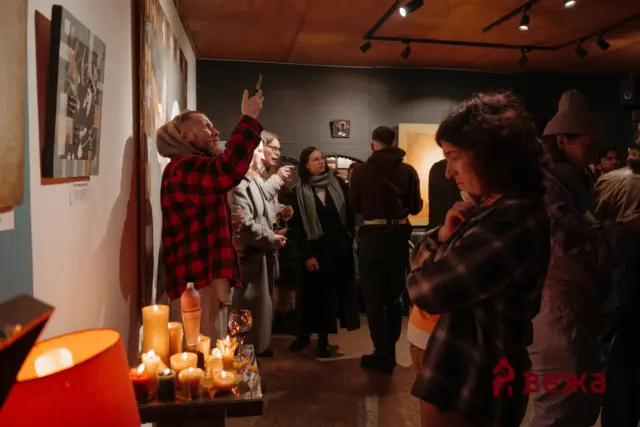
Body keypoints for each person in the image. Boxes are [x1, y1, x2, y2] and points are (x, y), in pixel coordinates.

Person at [408, 91, 550, 427]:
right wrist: (442, 237)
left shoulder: (512, 217)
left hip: (471, 382)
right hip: (459, 372)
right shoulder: (491, 207)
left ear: (490, 154)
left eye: (454, 157)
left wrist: (427, 261)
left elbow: (426, 290)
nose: (448, 172)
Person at [528, 90, 638, 427]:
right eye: (588, 146)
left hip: (572, 311)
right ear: (563, 141)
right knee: (561, 410)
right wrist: (628, 229)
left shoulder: (568, 183)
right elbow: (571, 259)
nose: (593, 154)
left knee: (578, 406)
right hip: (559, 311)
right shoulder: (548, 188)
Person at [158, 89, 264, 341]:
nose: (215, 132)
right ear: (186, 135)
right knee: (204, 352)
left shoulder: (187, 167)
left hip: (202, 279)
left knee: (211, 348)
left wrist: (224, 223)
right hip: (197, 283)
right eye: (207, 126)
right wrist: (248, 118)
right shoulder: (183, 167)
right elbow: (226, 169)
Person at [349, 126, 423, 374]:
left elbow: (354, 205)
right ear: (394, 143)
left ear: (373, 145)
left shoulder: (361, 171)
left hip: (371, 237)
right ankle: (390, 349)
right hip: (398, 239)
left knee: (373, 299)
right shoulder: (408, 171)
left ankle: (381, 351)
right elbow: (415, 207)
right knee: (394, 297)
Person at [288, 147, 360, 357]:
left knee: (329, 297)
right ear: (306, 165)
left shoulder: (337, 184)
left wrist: (349, 237)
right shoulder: (299, 191)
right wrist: (307, 255)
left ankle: (323, 340)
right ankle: (303, 336)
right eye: (315, 159)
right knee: (310, 296)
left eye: (322, 158)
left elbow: (349, 214)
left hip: (337, 249)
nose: (321, 162)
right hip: (314, 249)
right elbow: (297, 228)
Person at [231, 131, 293, 357]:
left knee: (259, 311)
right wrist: (271, 237)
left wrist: (277, 217)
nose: (261, 155)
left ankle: (255, 353)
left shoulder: (254, 181)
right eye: (258, 151)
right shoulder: (240, 184)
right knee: (248, 312)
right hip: (251, 256)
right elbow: (246, 225)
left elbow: (264, 212)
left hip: (260, 255)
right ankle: (247, 358)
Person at [593, 138, 640, 427]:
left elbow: (593, 228)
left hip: (617, 270)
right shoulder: (614, 180)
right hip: (624, 273)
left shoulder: (609, 181)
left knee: (617, 353)